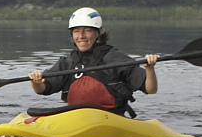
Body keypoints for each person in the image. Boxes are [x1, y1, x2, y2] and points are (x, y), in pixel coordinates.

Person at [29, 9, 158, 116]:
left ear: (98, 33)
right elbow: (43, 89)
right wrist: (36, 82)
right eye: (76, 31)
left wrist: (149, 69)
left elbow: (150, 89)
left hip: (111, 119)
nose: (81, 36)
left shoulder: (115, 58)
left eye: (87, 30)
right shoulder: (67, 63)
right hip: (75, 118)